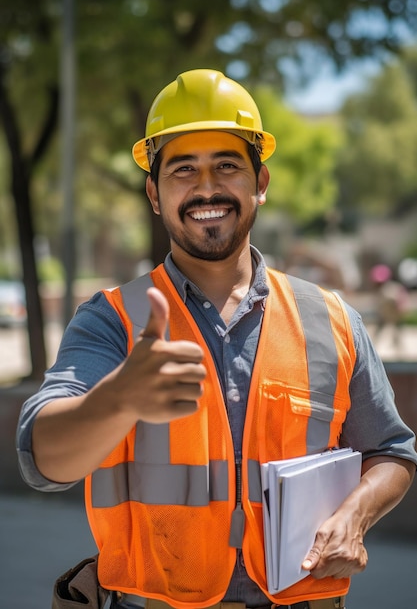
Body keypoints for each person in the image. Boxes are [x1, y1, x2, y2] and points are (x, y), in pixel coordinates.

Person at [16, 69, 417, 609]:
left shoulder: (332, 319)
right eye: (184, 170)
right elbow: (44, 461)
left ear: (262, 183)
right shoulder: (111, 321)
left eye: (227, 166)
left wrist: (355, 514)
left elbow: (391, 452)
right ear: (154, 194)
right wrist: (119, 399)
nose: (207, 188)